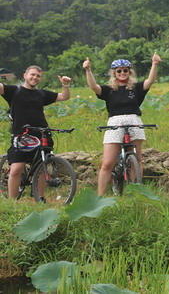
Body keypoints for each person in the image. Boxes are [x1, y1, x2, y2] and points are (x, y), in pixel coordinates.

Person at [84, 55, 160, 196]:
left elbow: (150, 81)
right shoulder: (109, 89)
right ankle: (100, 196)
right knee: (107, 163)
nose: (122, 73)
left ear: (129, 72)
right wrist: (88, 70)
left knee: (136, 160)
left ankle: (135, 192)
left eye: (125, 70)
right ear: (114, 73)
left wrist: (154, 64)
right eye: (119, 71)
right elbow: (94, 87)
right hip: (115, 122)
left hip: (134, 121)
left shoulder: (136, 88)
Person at [0, 66, 72, 200]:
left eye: (38, 76)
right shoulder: (14, 91)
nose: (35, 78)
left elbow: (64, 97)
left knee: (42, 167)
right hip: (22, 135)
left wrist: (65, 85)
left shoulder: (42, 94)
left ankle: (40, 198)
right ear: (25, 75)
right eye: (32, 75)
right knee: (16, 169)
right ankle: (12, 202)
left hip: (42, 133)